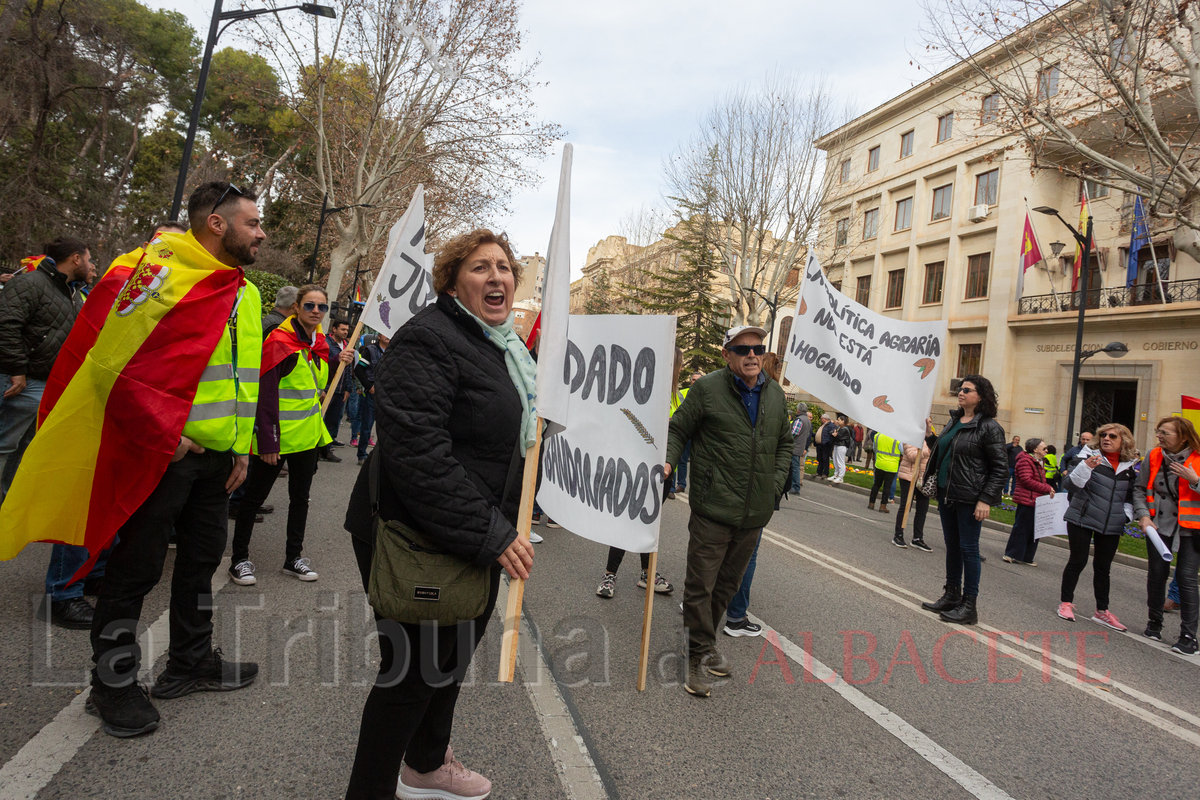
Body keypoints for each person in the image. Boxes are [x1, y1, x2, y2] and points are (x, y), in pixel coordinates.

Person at [1, 182, 266, 738]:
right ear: (217, 224)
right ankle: (112, 684)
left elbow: (241, 375)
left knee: (201, 562)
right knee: (136, 570)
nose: (262, 233)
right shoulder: (151, 272)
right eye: (253, 223)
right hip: (163, 457)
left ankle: (191, 661)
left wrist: (240, 444)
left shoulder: (246, 290)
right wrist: (162, 437)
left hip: (218, 459)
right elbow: (105, 363)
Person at [342, 229, 535, 799]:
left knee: (448, 664)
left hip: (474, 536)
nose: (496, 276)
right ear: (452, 281)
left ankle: (425, 765)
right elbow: (417, 453)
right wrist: (491, 533)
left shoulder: (503, 348)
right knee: (411, 675)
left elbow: (503, 440)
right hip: (414, 534)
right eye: (480, 267)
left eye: (504, 267)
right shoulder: (429, 338)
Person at [665, 325, 791, 697]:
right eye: (743, 349)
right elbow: (677, 430)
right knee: (700, 585)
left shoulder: (776, 394)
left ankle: (704, 644)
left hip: (754, 512)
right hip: (713, 506)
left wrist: (776, 483)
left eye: (759, 348)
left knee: (727, 586)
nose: (753, 355)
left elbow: (784, 443)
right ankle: (695, 656)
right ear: (727, 354)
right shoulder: (707, 389)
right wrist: (669, 464)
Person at [229, 285, 352, 586]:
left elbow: (312, 381)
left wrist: (338, 361)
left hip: (307, 439)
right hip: (277, 439)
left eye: (321, 307)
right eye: (309, 305)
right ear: (297, 307)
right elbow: (266, 396)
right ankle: (238, 560)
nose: (315, 311)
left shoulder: (319, 342)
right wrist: (269, 441)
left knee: (301, 499)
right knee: (253, 499)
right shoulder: (279, 341)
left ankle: (293, 558)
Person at [0, 237, 91, 504]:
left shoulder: (70, 291)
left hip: (45, 384)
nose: (89, 264)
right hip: (21, 382)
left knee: (24, 448)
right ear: (75, 259)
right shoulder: (30, 283)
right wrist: (17, 369)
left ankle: (7, 507)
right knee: (5, 445)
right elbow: (6, 325)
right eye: (87, 259)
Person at [920, 375, 1007, 625]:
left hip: (970, 497)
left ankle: (969, 606)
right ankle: (951, 595)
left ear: (981, 396)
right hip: (948, 493)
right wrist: (930, 436)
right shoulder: (955, 420)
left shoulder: (989, 427)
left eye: (967, 390)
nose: (961, 392)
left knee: (969, 549)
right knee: (953, 547)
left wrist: (986, 500)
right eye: (960, 389)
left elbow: (1000, 468)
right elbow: (945, 451)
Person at [1056, 423, 1138, 631]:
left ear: (1123, 441)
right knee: (1078, 560)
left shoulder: (1129, 468)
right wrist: (1087, 467)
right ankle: (1065, 603)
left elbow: (1130, 497)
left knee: (1103, 568)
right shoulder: (1087, 457)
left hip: (1111, 523)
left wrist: (1125, 517)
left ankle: (1102, 611)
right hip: (1082, 517)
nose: (1106, 439)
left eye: (1112, 436)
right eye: (1103, 435)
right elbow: (1071, 485)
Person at [1135, 416, 1200, 655]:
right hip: (1158, 525)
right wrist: (1143, 515)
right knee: (1157, 574)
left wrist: (1196, 481)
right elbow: (1140, 488)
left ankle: (1188, 636)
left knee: (1187, 578)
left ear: (1183, 437)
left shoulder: (1198, 458)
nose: (1159, 436)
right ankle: (1154, 623)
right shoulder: (1153, 456)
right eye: (1158, 431)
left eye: (1165, 433)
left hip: (1192, 529)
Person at [1003, 438, 1055, 566]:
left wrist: (1047, 490)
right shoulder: (1025, 460)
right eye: (1044, 448)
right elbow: (1027, 480)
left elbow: (1040, 480)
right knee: (1021, 528)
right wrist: (1047, 488)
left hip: (1036, 500)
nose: (1046, 451)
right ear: (1034, 449)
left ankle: (1026, 557)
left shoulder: (1040, 461)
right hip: (1027, 499)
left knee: (1034, 530)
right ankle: (1011, 554)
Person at [320, 317, 354, 462]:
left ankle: (327, 450)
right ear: (334, 329)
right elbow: (323, 364)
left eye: (347, 330)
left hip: (340, 391)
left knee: (333, 422)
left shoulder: (348, 345)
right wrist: (322, 388)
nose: (345, 332)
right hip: (327, 389)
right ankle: (316, 450)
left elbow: (348, 369)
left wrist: (348, 388)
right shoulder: (325, 343)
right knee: (321, 419)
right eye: (342, 329)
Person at [353, 332, 389, 466]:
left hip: (387, 395)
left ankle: (382, 457)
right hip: (373, 394)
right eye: (384, 333)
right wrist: (369, 386)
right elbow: (359, 370)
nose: (388, 336)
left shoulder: (394, 352)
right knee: (367, 425)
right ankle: (362, 454)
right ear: (378, 336)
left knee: (386, 427)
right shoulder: (371, 351)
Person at [895, 425, 932, 550]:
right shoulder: (910, 437)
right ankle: (898, 535)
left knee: (923, 508)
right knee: (906, 506)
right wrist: (929, 450)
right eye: (928, 422)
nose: (930, 425)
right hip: (909, 476)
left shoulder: (930, 438)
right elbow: (911, 456)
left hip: (923, 478)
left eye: (931, 422)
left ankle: (917, 538)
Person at [868, 431, 902, 513]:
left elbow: (874, 448)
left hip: (879, 463)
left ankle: (871, 503)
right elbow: (902, 451)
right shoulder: (898, 438)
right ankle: (883, 505)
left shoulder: (878, 435)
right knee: (887, 487)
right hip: (891, 466)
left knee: (876, 484)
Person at [789, 403, 812, 494]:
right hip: (800, 446)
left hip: (795, 446)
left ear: (798, 410)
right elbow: (807, 435)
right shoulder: (807, 420)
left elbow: (794, 433)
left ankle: (795, 486)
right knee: (795, 466)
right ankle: (794, 485)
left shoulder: (800, 420)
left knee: (794, 467)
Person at [831, 413, 853, 483]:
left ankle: (840, 477)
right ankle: (836, 474)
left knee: (840, 461)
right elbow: (833, 432)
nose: (838, 421)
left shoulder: (845, 429)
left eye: (839, 420)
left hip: (842, 445)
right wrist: (834, 434)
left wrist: (835, 435)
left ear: (843, 421)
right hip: (837, 445)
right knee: (835, 460)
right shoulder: (839, 427)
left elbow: (839, 437)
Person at [814, 413, 835, 479]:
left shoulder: (831, 425)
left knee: (825, 459)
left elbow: (831, 435)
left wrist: (827, 442)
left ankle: (825, 473)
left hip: (825, 445)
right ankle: (819, 472)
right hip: (820, 444)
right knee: (820, 458)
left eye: (821, 419)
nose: (821, 420)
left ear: (825, 419)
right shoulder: (823, 425)